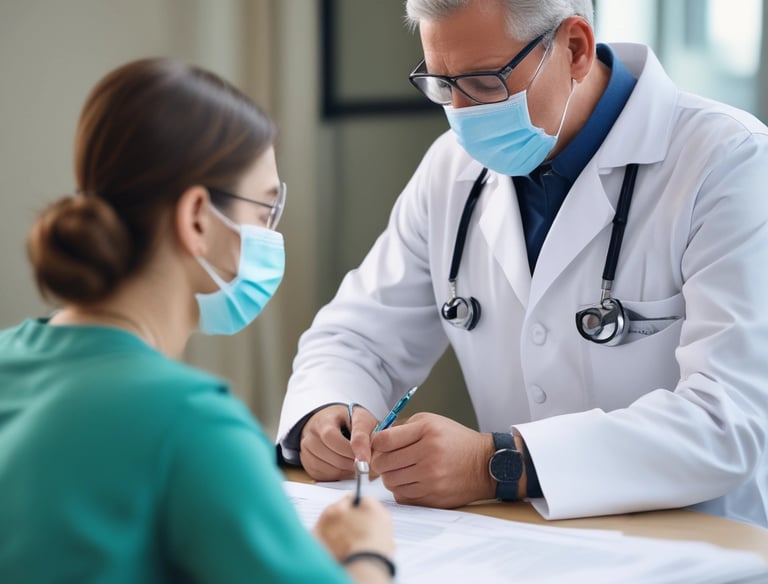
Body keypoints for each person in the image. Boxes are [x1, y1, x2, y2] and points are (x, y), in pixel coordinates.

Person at [277, 0, 768, 528]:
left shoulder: (730, 162)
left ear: (575, 49)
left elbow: (728, 420)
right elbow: (357, 338)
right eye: (443, 84)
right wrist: (328, 412)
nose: (461, 112)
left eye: (484, 83)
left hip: (702, 541)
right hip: (524, 541)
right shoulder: (450, 170)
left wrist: (499, 464)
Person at [0, 58, 395, 583]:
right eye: (264, 212)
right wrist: (366, 553)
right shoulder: (191, 424)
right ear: (196, 220)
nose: (270, 236)